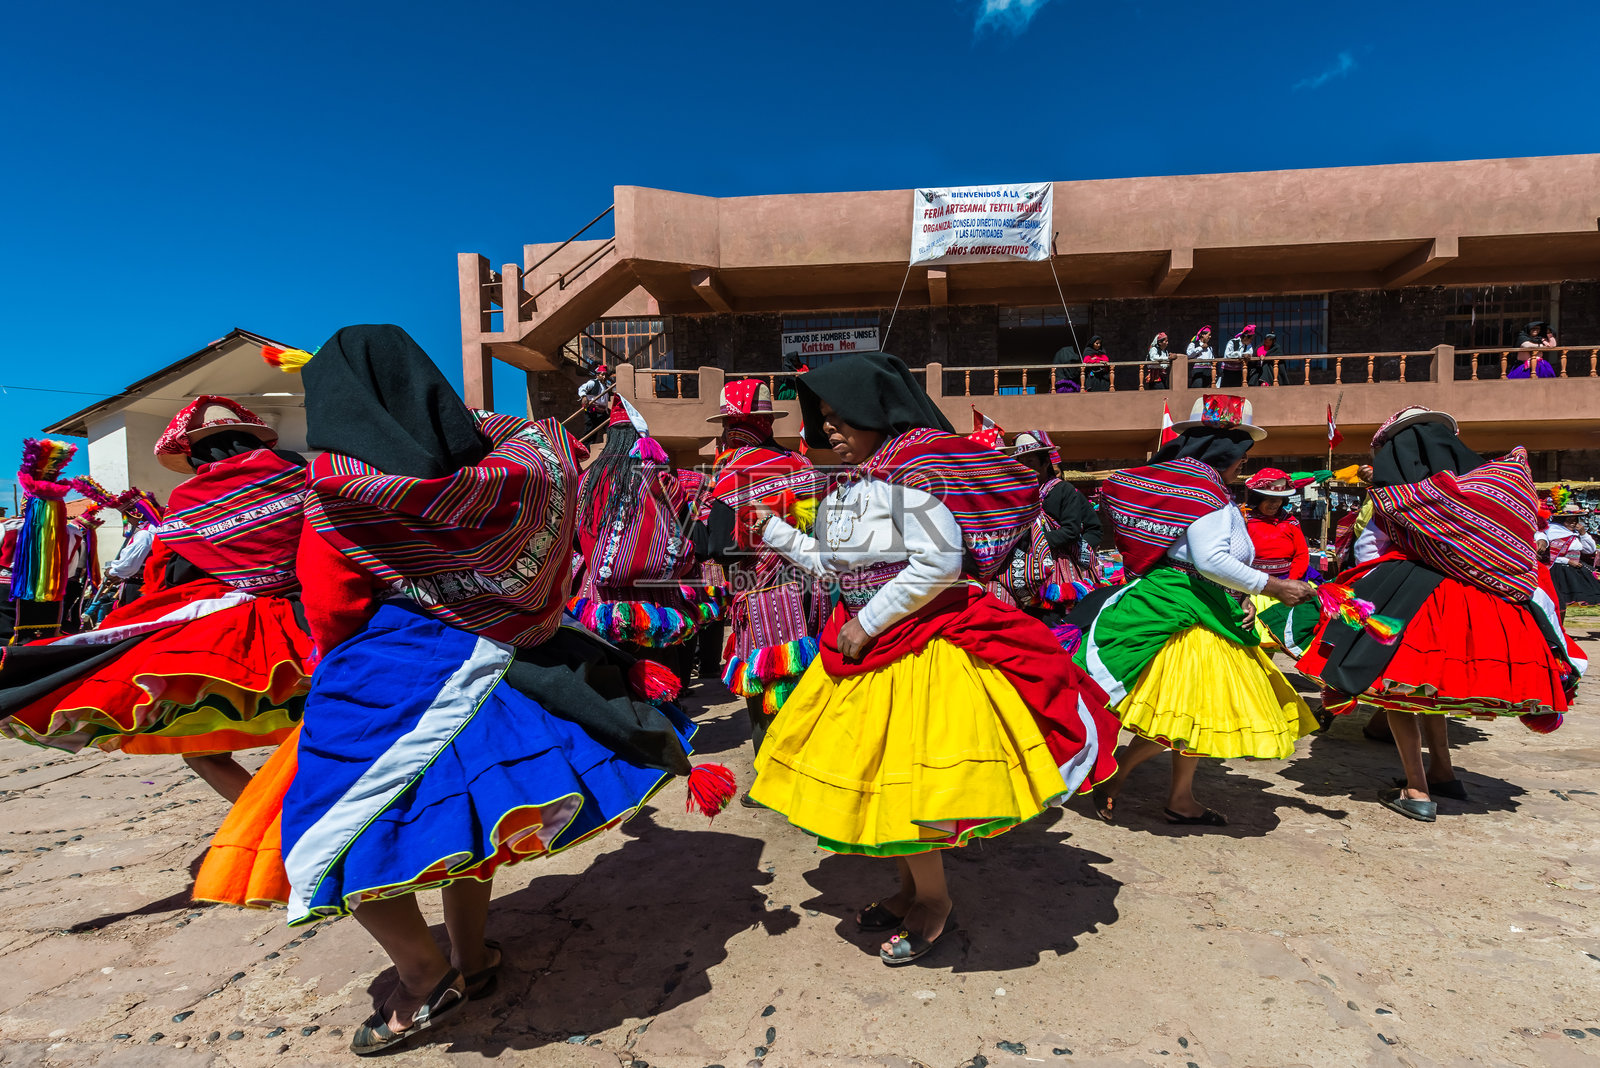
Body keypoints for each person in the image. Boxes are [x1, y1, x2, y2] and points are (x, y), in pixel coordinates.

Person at [197, 325, 727, 1055]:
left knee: (330, 830)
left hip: (394, 670)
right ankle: (471, 958)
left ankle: (423, 975)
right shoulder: (517, 463)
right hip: (513, 657)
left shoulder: (342, 494)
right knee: (470, 821)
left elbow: (333, 608)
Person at [746, 353, 1121, 966]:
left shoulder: (913, 477)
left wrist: (867, 622)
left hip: (913, 652)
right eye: (825, 420)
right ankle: (905, 890)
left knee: (907, 788)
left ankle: (935, 901)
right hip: (866, 651)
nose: (830, 430)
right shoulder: (858, 486)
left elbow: (940, 564)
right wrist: (779, 535)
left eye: (842, 418)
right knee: (878, 785)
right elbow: (838, 568)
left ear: (878, 413)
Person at [0, 397, 313, 802]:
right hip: (326, 611)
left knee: (204, 754)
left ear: (195, 451)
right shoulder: (302, 472)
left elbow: (166, 575)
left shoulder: (187, 502)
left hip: (245, 630)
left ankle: (279, 827)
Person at [1295, 406, 1582, 822]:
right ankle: (1444, 770)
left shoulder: (1396, 500)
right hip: (1488, 604)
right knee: (1434, 689)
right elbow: (1523, 543)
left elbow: (1369, 554)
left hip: (1418, 604)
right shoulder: (1497, 488)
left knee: (1399, 691)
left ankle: (1416, 789)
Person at [1071, 395, 1318, 826]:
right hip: (1189, 613)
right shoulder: (1205, 495)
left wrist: (1240, 596)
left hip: (1202, 603)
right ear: (1225, 451)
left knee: (1198, 715)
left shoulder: (1189, 491)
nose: (1243, 465)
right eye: (1242, 455)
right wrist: (1273, 587)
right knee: (1192, 712)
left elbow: (1209, 562)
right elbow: (1209, 560)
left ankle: (1180, 799)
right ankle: (1116, 774)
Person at [689, 379, 829, 781]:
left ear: (732, 427)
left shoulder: (729, 475)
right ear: (766, 422)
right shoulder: (802, 466)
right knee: (808, 679)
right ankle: (813, 767)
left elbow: (714, 545)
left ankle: (773, 776)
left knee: (767, 682)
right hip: (811, 590)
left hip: (762, 596)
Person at [568, 395, 702, 666]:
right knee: (657, 671)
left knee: (614, 676)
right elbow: (686, 531)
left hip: (601, 603)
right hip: (656, 603)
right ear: (641, 440)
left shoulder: (585, 482)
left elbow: (575, 541)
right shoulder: (663, 480)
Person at [994, 430, 1101, 637]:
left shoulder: (1064, 491)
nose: (1025, 465)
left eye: (1031, 460)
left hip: (1059, 566)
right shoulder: (1018, 495)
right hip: (1028, 568)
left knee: (1058, 618)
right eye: (1021, 460)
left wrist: (1037, 544)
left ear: (1045, 462)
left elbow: (1071, 530)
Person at [1544, 503, 1600, 615]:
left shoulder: (1575, 534)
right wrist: (1567, 561)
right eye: (1570, 520)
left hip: (1574, 568)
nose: (1573, 523)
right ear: (1562, 520)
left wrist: (1583, 534)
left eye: (1575, 520)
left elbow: (1589, 550)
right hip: (1559, 570)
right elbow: (1549, 556)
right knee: (1560, 600)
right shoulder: (1552, 532)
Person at [577, 364, 615, 439]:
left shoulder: (605, 387)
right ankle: (585, 448)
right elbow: (582, 388)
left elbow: (604, 401)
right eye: (602, 375)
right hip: (591, 410)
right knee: (590, 431)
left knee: (609, 428)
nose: (604, 377)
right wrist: (584, 396)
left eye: (605, 375)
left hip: (602, 412)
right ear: (597, 375)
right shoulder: (593, 383)